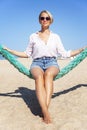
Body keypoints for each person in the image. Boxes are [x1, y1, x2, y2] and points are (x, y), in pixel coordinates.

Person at [4, 10, 85, 124]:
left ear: (51, 20)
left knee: (48, 75)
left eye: (47, 18)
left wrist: (81, 50)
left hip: (52, 62)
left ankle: (44, 110)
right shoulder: (33, 36)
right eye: (42, 18)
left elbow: (64, 53)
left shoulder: (56, 37)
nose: (44, 20)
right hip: (36, 63)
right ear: (39, 20)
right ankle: (46, 112)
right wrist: (10, 51)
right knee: (38, 77)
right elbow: (27, 54)